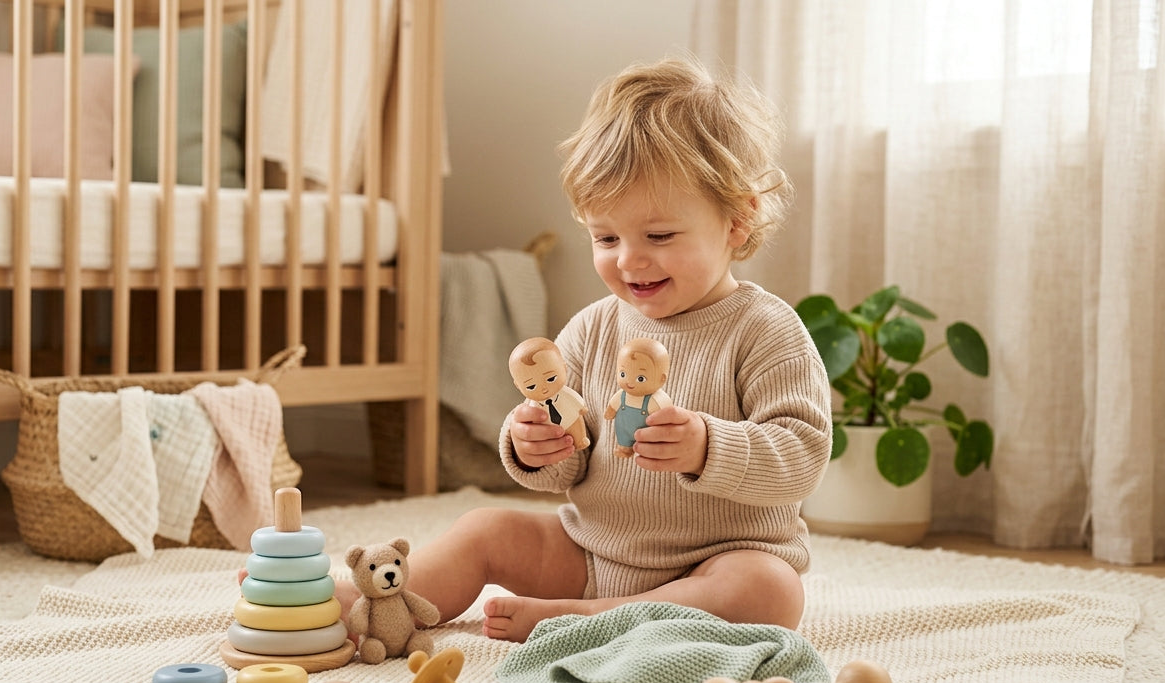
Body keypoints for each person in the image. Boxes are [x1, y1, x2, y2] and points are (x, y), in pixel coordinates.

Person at [278, 53, 832, 644]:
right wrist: (537, 447)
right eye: (606, 237)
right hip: (594, 557)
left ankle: (586, 621)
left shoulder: (766, 330)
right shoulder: (592, 330)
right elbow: (568, 464)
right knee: (484, 529)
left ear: (737, 221)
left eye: (660, 236)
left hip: (714, 564)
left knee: (770, 592)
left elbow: (802, 455)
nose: (629, 259)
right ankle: (373, 601)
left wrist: (706, 446)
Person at [509, 336, 591, 451]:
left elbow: (573, 398)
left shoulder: (565, 393)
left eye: (551, 379)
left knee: (576, 426)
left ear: (564, 367)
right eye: (531, 386)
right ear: (518, 385)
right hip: (550, 429)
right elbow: (531, 424)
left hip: (571, 417)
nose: (544, 389)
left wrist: (581, 407)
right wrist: (531, 433)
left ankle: (580, 440)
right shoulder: (534, 405)